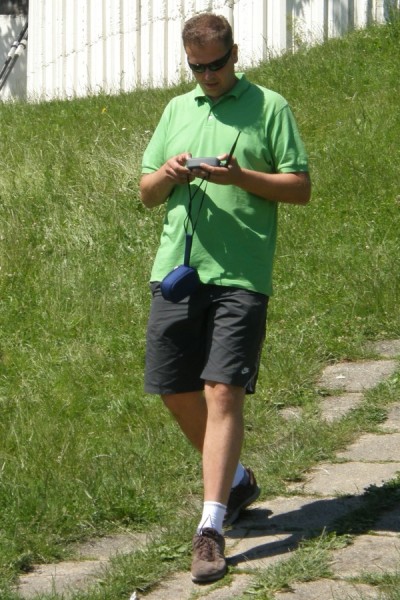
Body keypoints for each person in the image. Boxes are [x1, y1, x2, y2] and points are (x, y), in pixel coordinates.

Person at [140, 12, 311, 584]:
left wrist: (239, 178)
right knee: (173, 389)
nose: (208, 76)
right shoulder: (176, 110)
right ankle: (236, 483)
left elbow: (300, 187)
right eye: (197, 67)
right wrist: (169, 174)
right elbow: (145, 192)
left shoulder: (270, 107)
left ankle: (210, 528)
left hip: (241, 274)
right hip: (178, 272)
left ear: (234, 54)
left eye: (216, 64)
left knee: (222, 390)